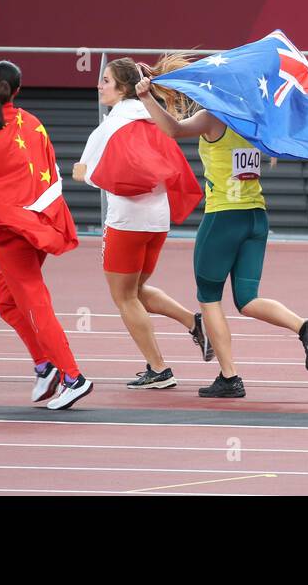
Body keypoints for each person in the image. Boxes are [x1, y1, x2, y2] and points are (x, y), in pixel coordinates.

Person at [134, 55, 308, 399]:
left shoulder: (212, 118)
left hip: (224, 217)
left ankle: (229, 377)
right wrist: (162, 80)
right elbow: (273, 148)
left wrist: (148, 97)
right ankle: (305, 328)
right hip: (256, 216)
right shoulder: (255, 119)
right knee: (247, 299)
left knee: (208, 299)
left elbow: (174, 130)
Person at [0, 60, 92, 411]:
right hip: (38, 225)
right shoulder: (34, 125)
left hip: (11, 232)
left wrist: (0, 216)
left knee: (34, 302)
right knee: (5, 298)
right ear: (17, 90)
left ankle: (73, 376)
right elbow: (48, 173)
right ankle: (45, 366)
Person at [73, 57, 213, 390]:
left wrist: (80, 173)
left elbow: (87, 172)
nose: (99, 86)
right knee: (135, 290)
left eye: (105, 81)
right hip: (158, 220)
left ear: (122, 88)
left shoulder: (110, 125)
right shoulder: (154, 116)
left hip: (126, 220)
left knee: (123, 298)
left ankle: (159, 368)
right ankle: (194, 322)